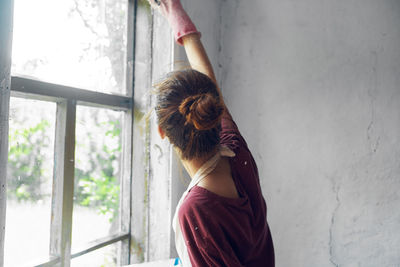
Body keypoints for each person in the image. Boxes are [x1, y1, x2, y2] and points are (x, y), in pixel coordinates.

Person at [149, 0, 275, 266]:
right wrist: (175, 13)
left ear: (161, 132)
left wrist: (176, 14)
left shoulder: (194, 211)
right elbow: (209, 81)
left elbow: (210, 85)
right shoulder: (236, 150)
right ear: (211, 111)